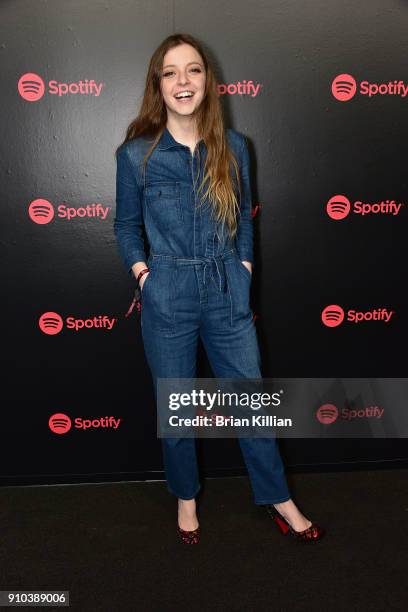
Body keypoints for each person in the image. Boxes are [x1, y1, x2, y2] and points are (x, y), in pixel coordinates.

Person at [114, 33, 325, 545]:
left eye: (192, 70)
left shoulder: (234, 147)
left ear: (208, 81)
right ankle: (186, 497)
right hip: (168, 290)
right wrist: (146, 275)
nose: (183, 81)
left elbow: (246, 220)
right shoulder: (137, 154)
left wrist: (244, 268)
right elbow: (125, 226)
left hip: (226, 285)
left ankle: (277, 496)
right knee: (178, 404)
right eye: (170, 72)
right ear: (158, 85)